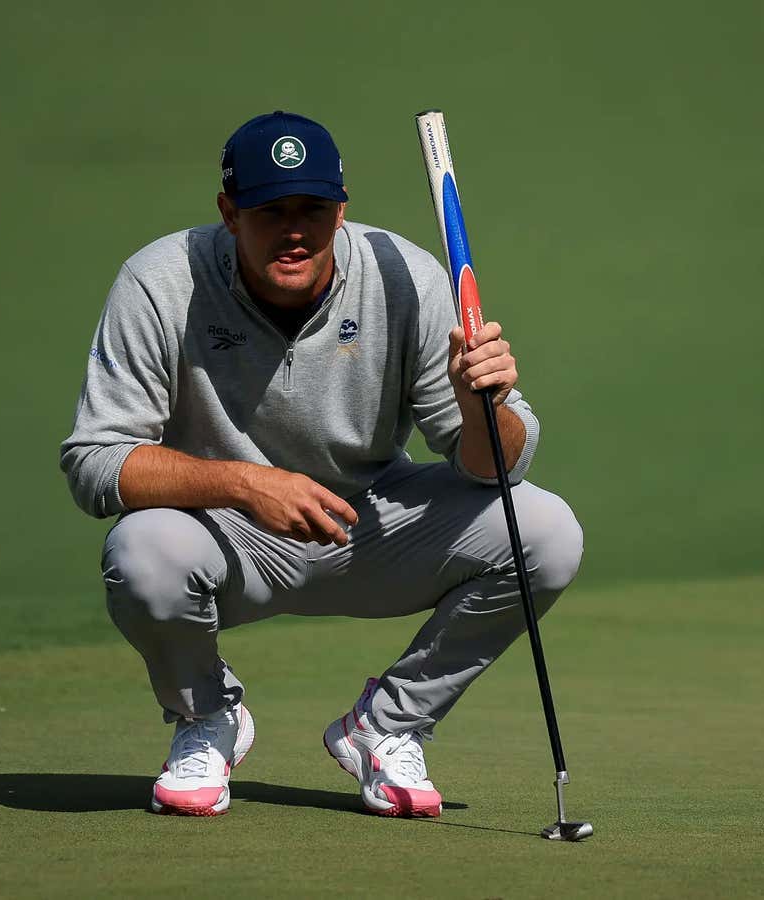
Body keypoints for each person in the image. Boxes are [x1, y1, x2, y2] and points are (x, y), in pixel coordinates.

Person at [59, 111, 583, 819]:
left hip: (368, 523)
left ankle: (387, 726)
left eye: (312, 208)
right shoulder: (159, 282)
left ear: (342, 210)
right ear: (228, 213)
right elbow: (95, 463)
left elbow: (492, 470)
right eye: (270, 211)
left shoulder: (404, 276)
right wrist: (245, 484)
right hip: (227, 537)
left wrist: (478, 404)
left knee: (546, 532)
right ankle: (206, 718)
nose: (295, 230)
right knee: (140, 551)